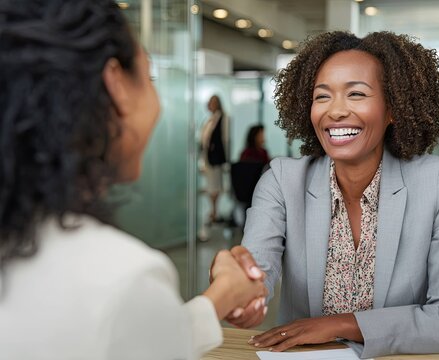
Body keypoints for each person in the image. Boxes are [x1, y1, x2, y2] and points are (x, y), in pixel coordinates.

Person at [0, 1, 266, 359]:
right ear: (117, 86)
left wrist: (219, 298)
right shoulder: (124, 279)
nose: (157, 102)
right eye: (149, 76)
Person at [226, 31, 439, 358]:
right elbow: (257, 271)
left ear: (393, 108)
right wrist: (245, 295)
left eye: (356, 94)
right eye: (322, 97)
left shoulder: (436, 182)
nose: (335, 111)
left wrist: (342, 324)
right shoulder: (282, 180)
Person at [200, 95, 229, 224]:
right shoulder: (210, 119)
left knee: (214, 185)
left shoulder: (222, 118)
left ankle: (214, 211)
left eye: (213, 102)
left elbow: (224, 138)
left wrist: (225, 158)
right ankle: (213, 211)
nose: (211, 105)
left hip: (215, 157)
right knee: (211, 184)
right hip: (208, 156)